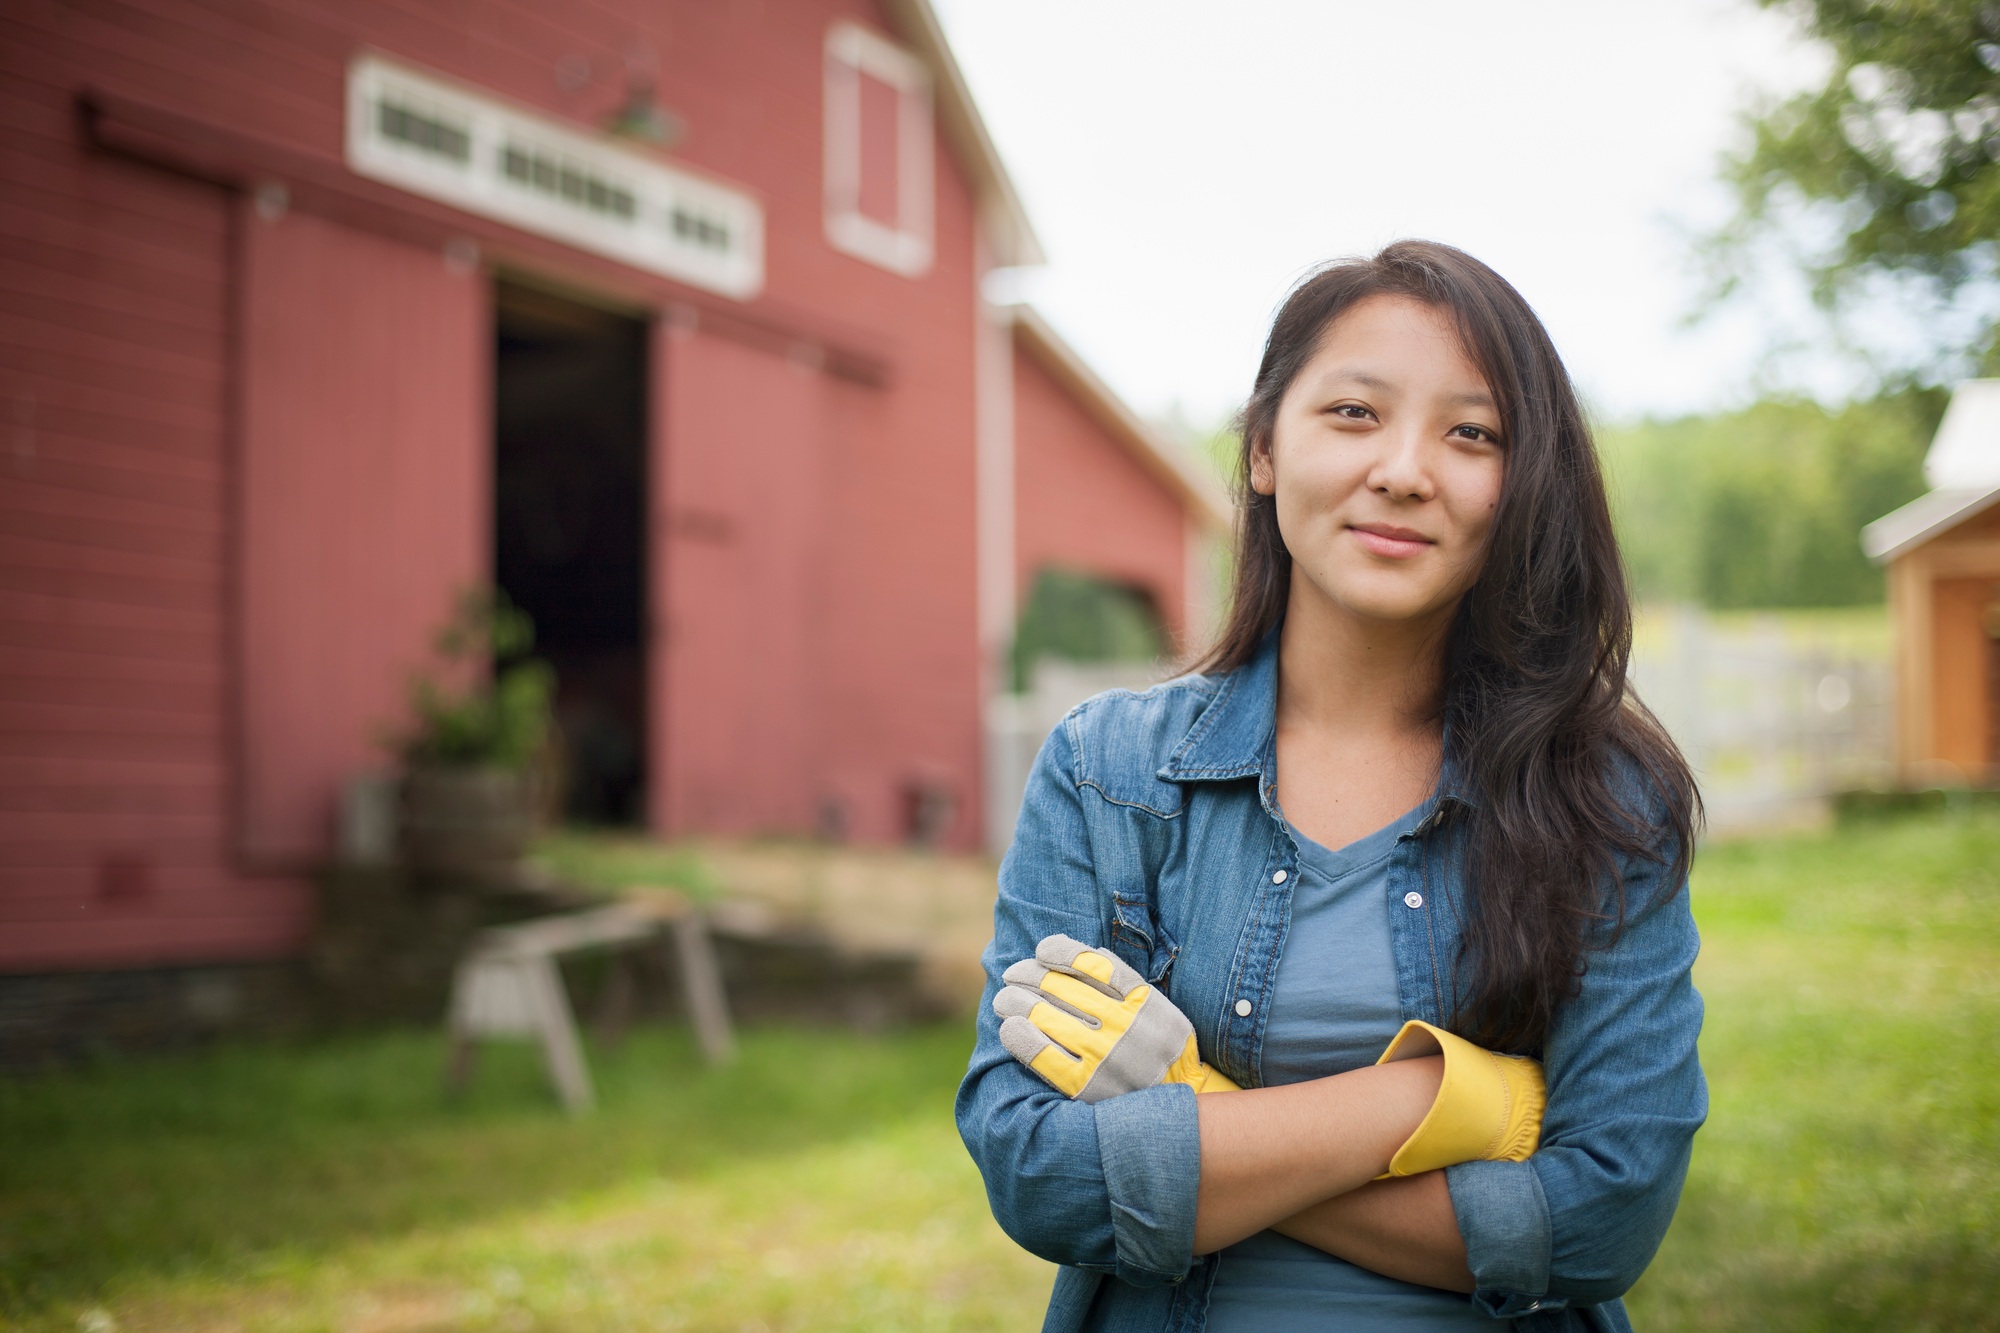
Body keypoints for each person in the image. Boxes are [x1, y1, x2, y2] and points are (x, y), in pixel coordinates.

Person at [955, 240, 1705, 1332]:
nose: (1404, 469)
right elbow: (1038, 1173)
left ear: (1522, 482)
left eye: (1470, 432)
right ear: (1263, 449)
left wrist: (1191, 1110)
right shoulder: (1105, 770)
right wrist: (1440, 1099)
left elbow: (1601, 1218)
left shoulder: (1603, 796)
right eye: (1353, 413)